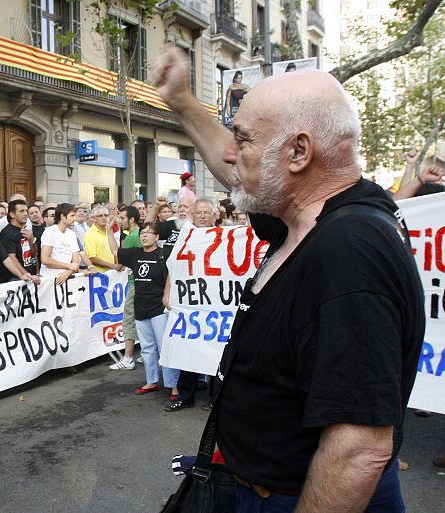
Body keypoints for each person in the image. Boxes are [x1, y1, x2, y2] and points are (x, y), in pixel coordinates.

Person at [152, 48, 424, 511]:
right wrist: (181, 101)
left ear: (299, 152)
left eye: (245, 139)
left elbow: (358, 449)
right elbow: (240, 170)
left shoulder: (349, 250)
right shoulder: (305, 216)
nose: (233, 152)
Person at [163, 198, 217, 413]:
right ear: (192, 215)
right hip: (191, 303)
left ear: (215, 215)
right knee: (189, 349)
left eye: (207, 212)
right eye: (199, 212)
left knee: (216, 351)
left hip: (215, 304)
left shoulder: (224, 237)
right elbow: (174, 266)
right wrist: (167, 292)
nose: (202, 216)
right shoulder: (185, 237)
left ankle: (215, 398)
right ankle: (186, 397)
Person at [115, 222, 179, 400]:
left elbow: (173, 274)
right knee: (147, 348)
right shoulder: (135, 253)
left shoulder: (163, 253)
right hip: (140, 306)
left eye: (150, 233)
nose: (145, 236)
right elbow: (116, 252)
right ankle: (151, 381)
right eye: (142, 233)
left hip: (159, 308)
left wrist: (167, 296)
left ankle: (174, 385)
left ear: (157, 237)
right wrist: (108, 228)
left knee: (164, 347)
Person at [109, 205, 142, 371]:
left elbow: (117, 255)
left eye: (122, 218)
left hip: (135, 283)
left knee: (129, 319)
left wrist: (109, 230)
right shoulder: (140, 233)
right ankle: (147, 353)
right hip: (144, 283)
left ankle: (128, 358)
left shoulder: (132, 237)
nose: (119, 221)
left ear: (132, 220)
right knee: (144, 319)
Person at [39, 203, 91, 283]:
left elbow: (76, 261)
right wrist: (69, 266)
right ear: (62, 216)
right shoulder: (50, 231)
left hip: (67, 279)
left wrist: (68, 272)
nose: (75, 218)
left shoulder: (72, 234)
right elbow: (45, 259)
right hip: (48, 279)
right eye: (72, 216)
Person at [0, 199, 39, 281]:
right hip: (16, 278)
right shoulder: (7, 232)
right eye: (21, 211)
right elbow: (11, 258)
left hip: (30, 276)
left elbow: (35, 253)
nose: (25, 214)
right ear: (12, 214)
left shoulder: (26, 231)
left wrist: (31, 240)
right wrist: (26, 275)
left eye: (26, 211)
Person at [83, 205, 123, 273]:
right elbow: (92, 258)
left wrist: (117, 264)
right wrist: (113, 266)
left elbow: (115, 251)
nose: (104, 218)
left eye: (106, 215)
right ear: (94, 218)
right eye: (100, 216)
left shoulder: (109, 231)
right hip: (99, 275)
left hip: (113, 274)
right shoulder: (90, 234)